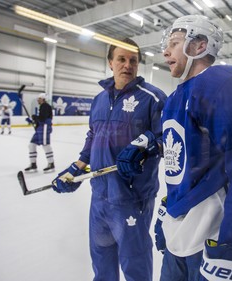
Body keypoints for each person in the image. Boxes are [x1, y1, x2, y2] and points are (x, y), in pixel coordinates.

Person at [117, 15, 232, 281]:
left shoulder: (222, 83)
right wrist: (148, 147)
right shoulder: (175, 97)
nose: (165, 51)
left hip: (212, 238)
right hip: (180, 234)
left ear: (199, 46)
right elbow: (187, 153)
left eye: (174, 43)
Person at [52, 38, 166, 281]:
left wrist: (144, 145)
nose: (127, 65)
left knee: (135, 265)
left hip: (132, 198)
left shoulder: (153, 98)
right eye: (121, 59)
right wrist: (77, 167)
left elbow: (167, 138)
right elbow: (93, 136)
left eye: (133, 60)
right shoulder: (99, 100)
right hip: (100, 197)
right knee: (102, 263)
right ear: (110, 63)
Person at [24, 93, 55, 173]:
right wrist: (33, 121)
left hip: (44, 127)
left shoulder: (45, 106)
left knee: (46, 145)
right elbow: (40, 119)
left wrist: (35, 117)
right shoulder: (42, 106)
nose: (38, 100)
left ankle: (51, 163)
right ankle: (33, 164)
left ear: (43, 99)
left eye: (39, 98)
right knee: (32, 145)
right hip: (40, 128)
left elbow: (42, 118)